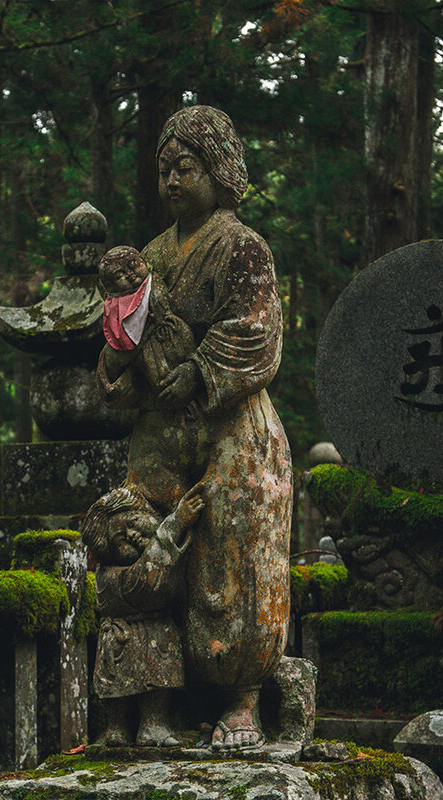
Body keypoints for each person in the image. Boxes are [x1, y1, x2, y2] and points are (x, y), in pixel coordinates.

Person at [96, 105, 292, 752]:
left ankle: (242, 698)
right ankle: (160, 695)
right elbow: (122, 343)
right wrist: (120, 344)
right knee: (141, 535)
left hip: (231, 424)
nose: (173, 181)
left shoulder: (242, 248)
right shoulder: (149, 256)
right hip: (161, 430)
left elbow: (258, 331)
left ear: (218, 169)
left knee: (233, 558)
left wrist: (202, 371)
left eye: (186, 167)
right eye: (164, 170)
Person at [80, 483, 205, 747]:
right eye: (120, 539)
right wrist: (175, 523)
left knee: (157, 685)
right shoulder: (112, 575)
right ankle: (117, 728)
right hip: (126, 637)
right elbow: (149, 577)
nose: (132, 534)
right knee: (116, 689)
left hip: (155, 632)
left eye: (134, 521)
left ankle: (153, 725)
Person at [98, 245, 195, 399]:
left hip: (167, 333)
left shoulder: (153, 284)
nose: (130, 274)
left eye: (133, 266)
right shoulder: (114, 305)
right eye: (120, 275)